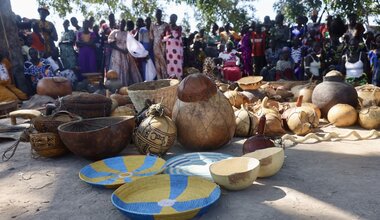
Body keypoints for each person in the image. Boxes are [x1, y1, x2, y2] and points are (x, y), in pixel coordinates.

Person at [108, 19, 142, 86]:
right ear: (119, 23)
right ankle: (116, 86)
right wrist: (121, 50)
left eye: (124, 23)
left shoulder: (127, 33)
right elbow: (111, 43)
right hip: (117, 54)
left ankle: (124, 85)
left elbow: (132, 42)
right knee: (117, 69)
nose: (123, 24)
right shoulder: (114, 32)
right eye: (121, 23)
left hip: (125, 54)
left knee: (125, 69)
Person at [150, 9, 169, 79]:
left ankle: (166, 79)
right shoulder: (152, 25)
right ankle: (160, 81)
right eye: (157, 14)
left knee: (164, 63)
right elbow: (151, 38)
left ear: (161, 15)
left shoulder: (166, 25)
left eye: (159, 14)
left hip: (163, 46)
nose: (158, 15)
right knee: (157, 64)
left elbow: (168, 36)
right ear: (155, 15)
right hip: (155, 47)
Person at [164, 14, 183, 79]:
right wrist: (170, 36)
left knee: (177, 61)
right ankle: (171, 77)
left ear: (176, 19)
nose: (171, 19)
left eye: (173, 18)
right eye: (171, 18)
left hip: (176, 48)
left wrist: (169, 36)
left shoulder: (179, 27)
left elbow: (177, 35)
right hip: (169, 49)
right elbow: (164, 37)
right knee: (170, 62)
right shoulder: (167, 27)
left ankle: (178, 77)